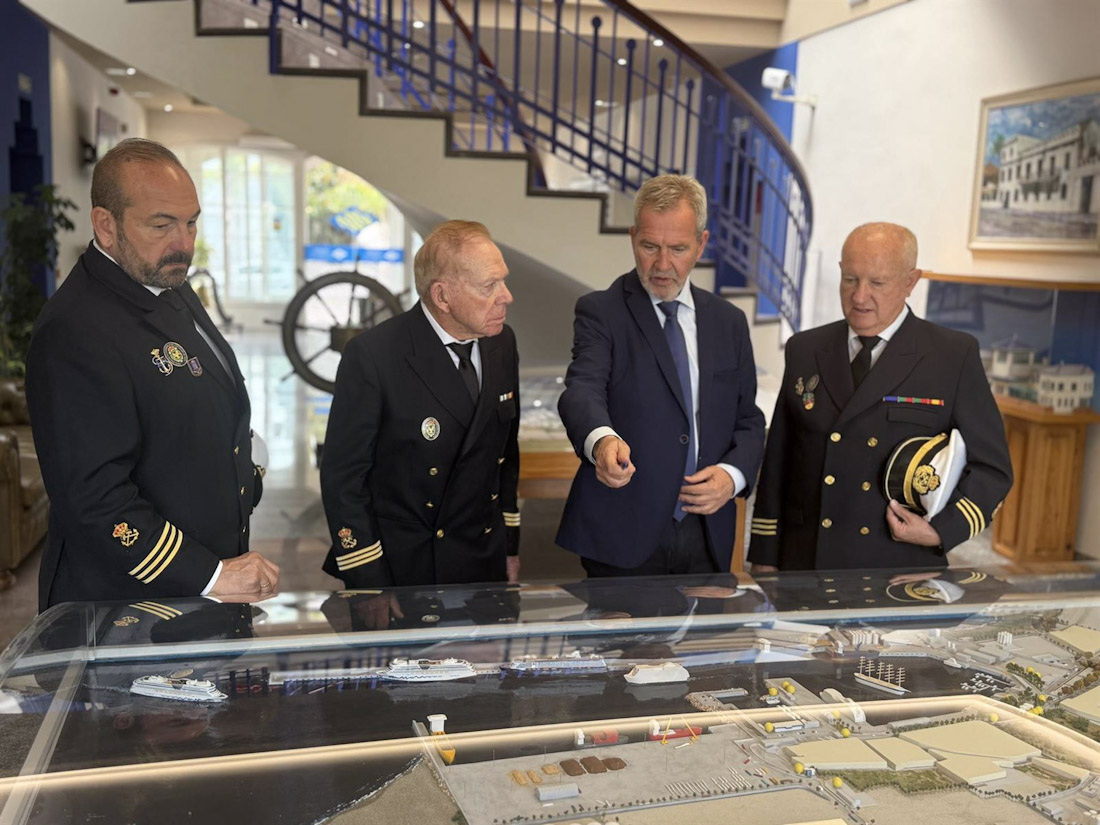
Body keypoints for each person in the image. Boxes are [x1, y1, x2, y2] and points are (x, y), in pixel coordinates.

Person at [25, 138, 278, 610]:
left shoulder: (165, 280)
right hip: (126, 604)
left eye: (191, 222)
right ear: (106, 225)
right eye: (161, 225)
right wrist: (209, 575)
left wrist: (246, 468)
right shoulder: (76, 329)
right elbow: (95, 500)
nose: (184, 243)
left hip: (200, 586)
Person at [747, 222, 1013, 573]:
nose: (859, 297)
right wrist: (765, 555)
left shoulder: (951, 355)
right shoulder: (805, 348)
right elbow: (779, 459)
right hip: (805, 561)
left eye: (877, 283)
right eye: (850, 279)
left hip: (895, 565)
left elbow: (992, 469)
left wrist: (941, 531)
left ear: (910, 282)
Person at [556, 174, 766, 576]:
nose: (662, 264)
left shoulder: (730, 322)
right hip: (623, 534)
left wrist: (732, 476)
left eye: (678, 249)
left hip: (708, 534)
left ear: (701, 244)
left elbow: (748, 419)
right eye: (650, 246)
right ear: (633, 237)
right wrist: (602, 441)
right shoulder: (601, 312)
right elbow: (583, 389)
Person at [320, 220, 521, 589]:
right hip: (407, 568)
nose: (506, 296)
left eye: (503, 281)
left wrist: (509, 545)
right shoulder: (375, 355)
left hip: (483, 557)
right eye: (489, 286)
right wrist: (368, 581)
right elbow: (344, 479)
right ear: (442, 296)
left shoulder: (501, 342)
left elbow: (505, 455)